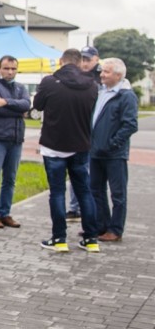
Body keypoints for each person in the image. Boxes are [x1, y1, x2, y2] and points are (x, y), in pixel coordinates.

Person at [32, 49, 100, 252]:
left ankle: (59, 238)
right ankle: (91, 239)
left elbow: (38, 105)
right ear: (80, 63)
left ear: (61, 61)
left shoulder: (49, 82)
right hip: (80, 144)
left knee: (57, 192)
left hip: (53, 145)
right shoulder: (92, 85)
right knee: (84, 192)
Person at [90, 58, 138, 242]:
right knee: (96, 190)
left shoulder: (126, 96)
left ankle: (115, 230)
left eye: (106, 72)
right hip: (96, 152)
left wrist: (112, 144)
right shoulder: (101, 92)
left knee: (118, 194)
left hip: (114, 154)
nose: (101, 74)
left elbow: (130, 125)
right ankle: (101, 226)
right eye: (102, 71)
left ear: (118, 75)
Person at [0, 56, 30, 229]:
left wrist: (5, 102)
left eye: (13, 69)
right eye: (6, 68)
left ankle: (5, 213)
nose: (10, 72)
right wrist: (17, 110)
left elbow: (26, 105)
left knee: (10, 179)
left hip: (15, 139)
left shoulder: (20, 87)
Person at [67, 45, 101, 219]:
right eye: (83, 59)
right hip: (80, 131)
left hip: (96, 133)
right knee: (77, 171)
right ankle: (75, 207)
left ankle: (89, 210)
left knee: (91, 174)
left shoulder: (102, 77)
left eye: (88, 59)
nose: (85, 63)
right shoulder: (76, 76)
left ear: (97, 59)